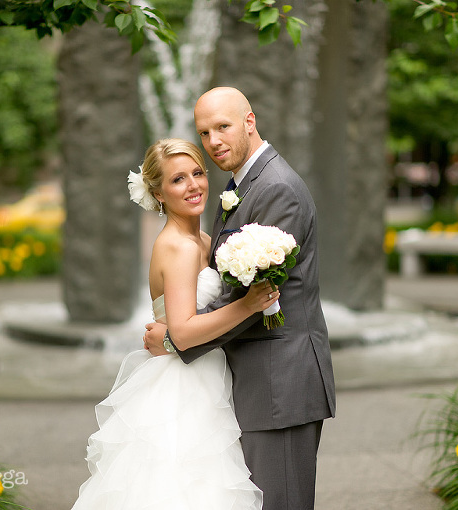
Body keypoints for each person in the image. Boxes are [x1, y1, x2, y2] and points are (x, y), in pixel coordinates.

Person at [144, 87, 336, 510]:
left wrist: (178, 340)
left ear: (249, 121)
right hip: (253, 382)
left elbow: (260, 297)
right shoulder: (242, 186)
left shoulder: (275, 189)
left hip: (278, 383)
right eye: (205, 132)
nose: (213, 141)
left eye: (223, 127)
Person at [70, 138, 279, 509]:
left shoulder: (200, 239)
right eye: (178, 179)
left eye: (197, 173)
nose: (194, 185)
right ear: (158, 193)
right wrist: (249, 305)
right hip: (185, 388)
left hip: (204, 371)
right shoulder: (179, 247)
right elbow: (181, 332)